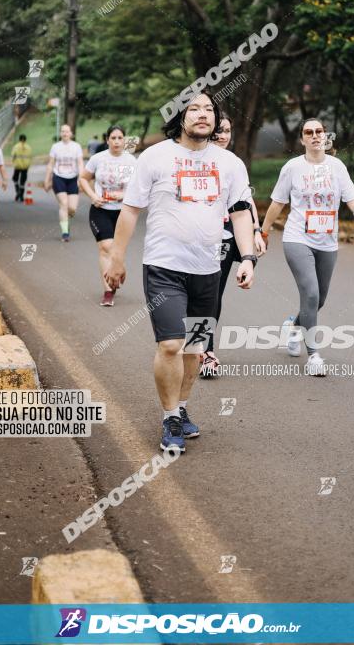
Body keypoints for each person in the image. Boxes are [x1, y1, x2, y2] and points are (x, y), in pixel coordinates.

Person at [105, 91, 256, 455]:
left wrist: (248, 256)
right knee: (171, 343)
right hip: (164, 267)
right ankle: (170, 415)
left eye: (209, 110)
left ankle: (182, 408)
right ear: (180, 118)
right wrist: (116, 258)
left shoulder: (230, 163)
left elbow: (239, 213)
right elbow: (129, 211)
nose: (203, 114)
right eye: (194, 109)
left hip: (208, 270)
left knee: (195, 346)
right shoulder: (156, 157)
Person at [261, 117, 354, 376]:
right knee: (310, 294)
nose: (314, 135)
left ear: (325, 135)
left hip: (327, 240)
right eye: (308, 132)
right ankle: (314, 356)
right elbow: (277, 202)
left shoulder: (337, 167)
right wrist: (263, 232)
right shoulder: (292, 167)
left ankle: (293, 324)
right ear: (302, 139)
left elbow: (351, 197)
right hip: (298, 237)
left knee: (319, 299)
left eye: (318, 131)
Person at [201, 113, 267, 377]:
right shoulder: (197, 160)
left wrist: (257, 230)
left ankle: (206, 351)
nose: (222, 136)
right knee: (201, 292)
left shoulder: (235, 163)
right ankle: (197, 345)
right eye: (218, 130)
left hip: (228, 235)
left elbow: (246, 200)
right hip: (199, 236)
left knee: (213, 291)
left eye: (227, 130)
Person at [80, 125, 137, 306]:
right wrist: (93, 196)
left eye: (120, 138)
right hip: (100, 210)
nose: (117, 141)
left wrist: (124, 196)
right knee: (106, 247)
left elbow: (139, 187)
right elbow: (83, 178)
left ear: (124, 140)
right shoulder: (98, 159)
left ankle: (117, 265)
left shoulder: (131, 161)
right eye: (113, 138)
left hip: (124, 212)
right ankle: (108, 292)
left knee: (116, 249)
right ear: (107, 140)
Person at [44, 124, 84, 242]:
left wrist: (81, 179)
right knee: (64, 203)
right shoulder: (55, 147)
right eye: (63, 131)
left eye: (67, 131)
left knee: (72, 208)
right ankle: (65, 233)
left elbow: (80, 164)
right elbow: (51, 164)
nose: (65, 133)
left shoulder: (76, 147)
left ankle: (66, 221)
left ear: (71, 133)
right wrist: (47, 180)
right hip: (58, 178)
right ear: (60, 133)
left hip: (72, 179)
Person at [11, 134, 32, 202]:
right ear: (25, 139)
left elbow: (13, 156)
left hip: (17, 166)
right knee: (22, 182)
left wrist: (13, 162)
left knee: (15, 179)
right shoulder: (29, 147)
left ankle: (18, 191)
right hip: (25, 167)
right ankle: (21, 195)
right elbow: (30, 157)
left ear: (19, 139)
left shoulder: (16, 147)